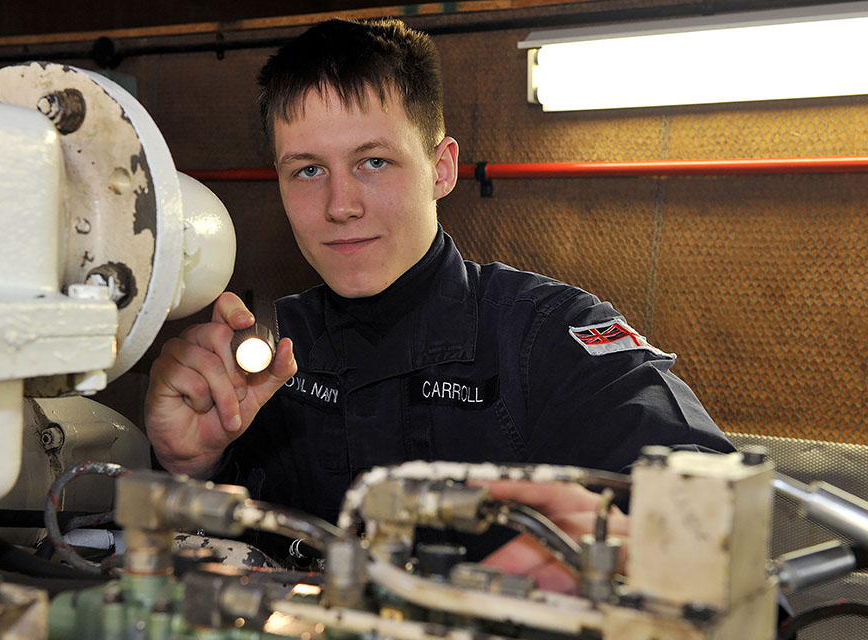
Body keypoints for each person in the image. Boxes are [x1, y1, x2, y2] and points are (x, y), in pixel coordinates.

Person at [145, 17, 733, 571]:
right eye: (307, 170)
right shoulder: (257, 357)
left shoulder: (545, 337)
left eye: (373, 161)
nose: (340, 205)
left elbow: (707, 504)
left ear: (442, 169)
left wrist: (635, 543)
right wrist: (190, 466)